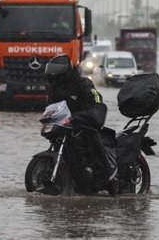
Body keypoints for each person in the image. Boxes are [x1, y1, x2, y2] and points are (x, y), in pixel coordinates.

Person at [44, 54, 119, 195]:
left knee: (96, 144)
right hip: (66, 125)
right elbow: (50, 106)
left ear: (64, 73)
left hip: (85, 123)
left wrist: (95, 110)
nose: (54, 79)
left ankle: (110, 181)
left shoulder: (83, 83)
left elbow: (96, 97)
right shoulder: (54, 89)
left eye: (57, 76)